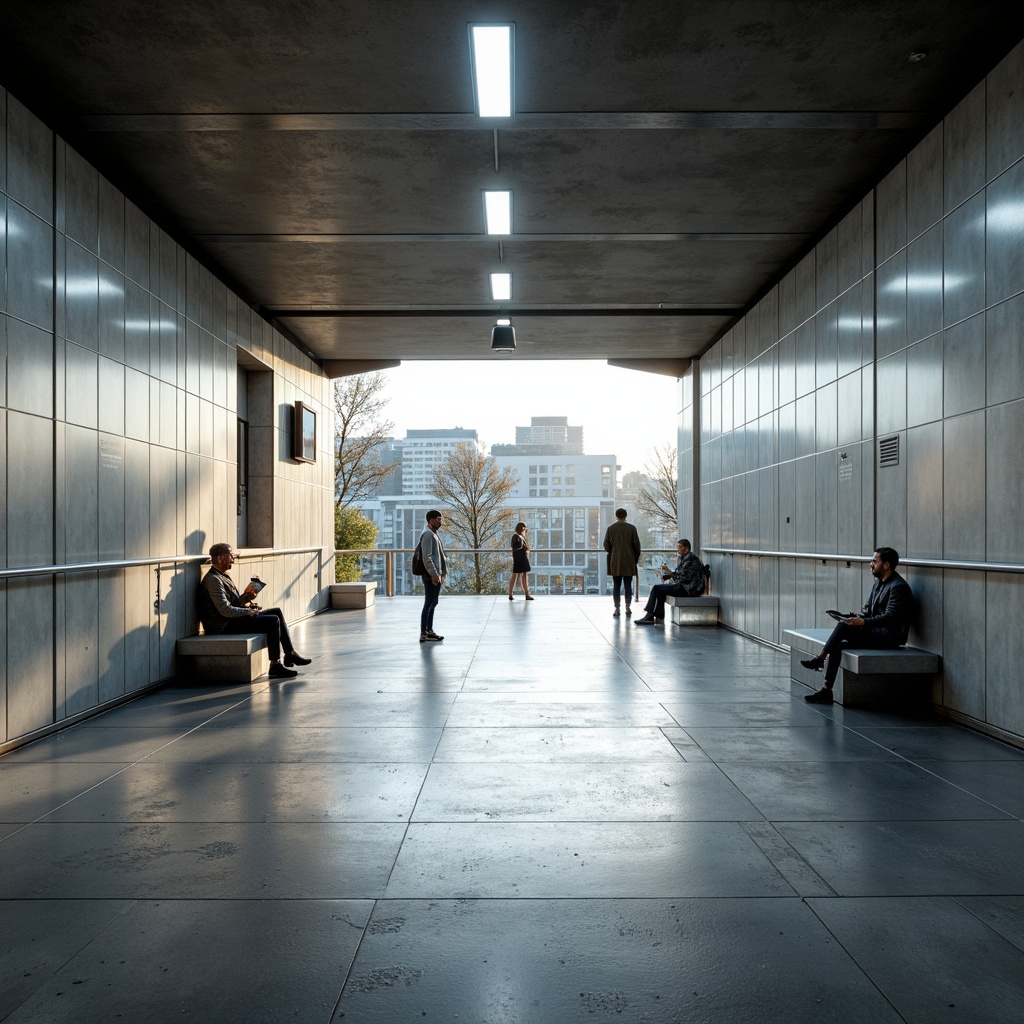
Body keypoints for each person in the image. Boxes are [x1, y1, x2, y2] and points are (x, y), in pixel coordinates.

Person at [801, 546, 913, 704]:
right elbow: (868, 611)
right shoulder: (878, 583)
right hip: (876, 630)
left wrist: (864, 622)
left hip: (890, 636)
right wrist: (857, 617)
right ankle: (826, 690)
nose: (871, 564)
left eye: (874, 561)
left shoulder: (898, 587)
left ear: (886, 565)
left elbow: (891, 617)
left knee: (844, 627)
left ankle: (820, 658)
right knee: (839, 639)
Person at [197, 543, 311, 679]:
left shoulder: (222, 576)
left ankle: (289, 654)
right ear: (221, 558)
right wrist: (247, 612)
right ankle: (275, 664)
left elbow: (231, 604)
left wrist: (246, 597)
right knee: (273, 621)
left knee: (277, 612)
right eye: (231, 555)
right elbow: (224, 610)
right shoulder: (213, 580)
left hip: (230, 620)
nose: (233, 559)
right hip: (223, 626)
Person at [634, 539, 706, 624]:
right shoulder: (686, 558)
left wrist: (670, 576)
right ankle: (659, 616)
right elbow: (681, 575)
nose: (678, 549)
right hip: (686, 586)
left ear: (686, 549)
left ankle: (650, 616)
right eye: (677, 547)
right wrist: (669, 572)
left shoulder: (690, 560)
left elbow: (682, 577)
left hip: (689, 588)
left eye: (680, 547)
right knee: (660, 591)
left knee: (656, 588)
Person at [603, 508, 641, 617]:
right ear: (626, 515)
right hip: (629, 560)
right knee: (628, 585)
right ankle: (628, 607)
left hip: (615, 560)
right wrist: (635, 557)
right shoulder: (632, 528)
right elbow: (637, 545)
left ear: (616, 516)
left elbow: (606, 544)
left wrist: (613, 551)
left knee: (616, 585)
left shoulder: (611, 528)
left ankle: (617, 608)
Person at [417, 509, 447, 643]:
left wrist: (442, 573)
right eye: (438, 519)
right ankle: (424, 632)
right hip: (431, 576)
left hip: (435, 575)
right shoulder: (428, 535)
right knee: (428, 603)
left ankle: (429, 631)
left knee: (433, 603)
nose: (440, 522)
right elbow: (427, 557)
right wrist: (435, 574)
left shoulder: (432, 533)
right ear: (431, 520)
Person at [508, 522, 534, 600]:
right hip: (521, 557)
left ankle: (511, 594)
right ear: (522, 529)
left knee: (515, 574)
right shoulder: (518, 537)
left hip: (518, 557)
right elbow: (519, 546)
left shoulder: (517, 536)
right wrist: (525, 547)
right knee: (524, 575)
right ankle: (526, 594)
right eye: (524, 529)